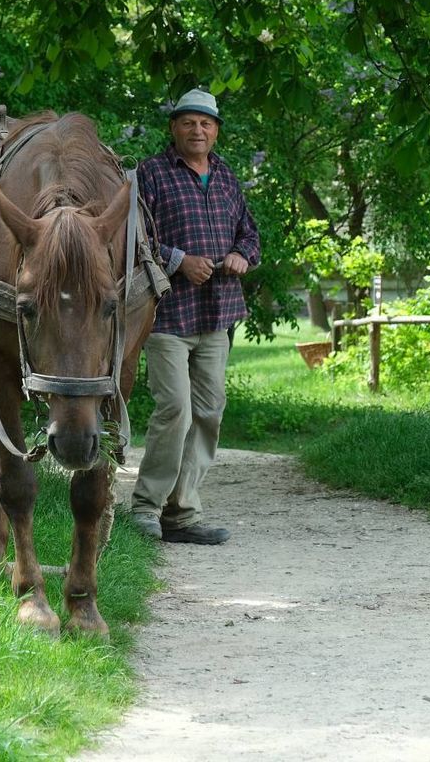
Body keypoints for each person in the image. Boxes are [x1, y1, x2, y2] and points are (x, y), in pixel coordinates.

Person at [131, 88, 261, 545]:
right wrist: (179, 260)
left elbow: (250, 234)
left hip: (217, 313)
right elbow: (133, 238)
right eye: (188, 122)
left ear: (216, 131)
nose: (197, 130)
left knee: (208, 411)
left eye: (206, 124)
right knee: (175, 410)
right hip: (167, 313)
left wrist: (243, 255)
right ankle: (145, 507)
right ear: (174, 128)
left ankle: (181, 512)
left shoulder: (226, 177)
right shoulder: (150, 173)